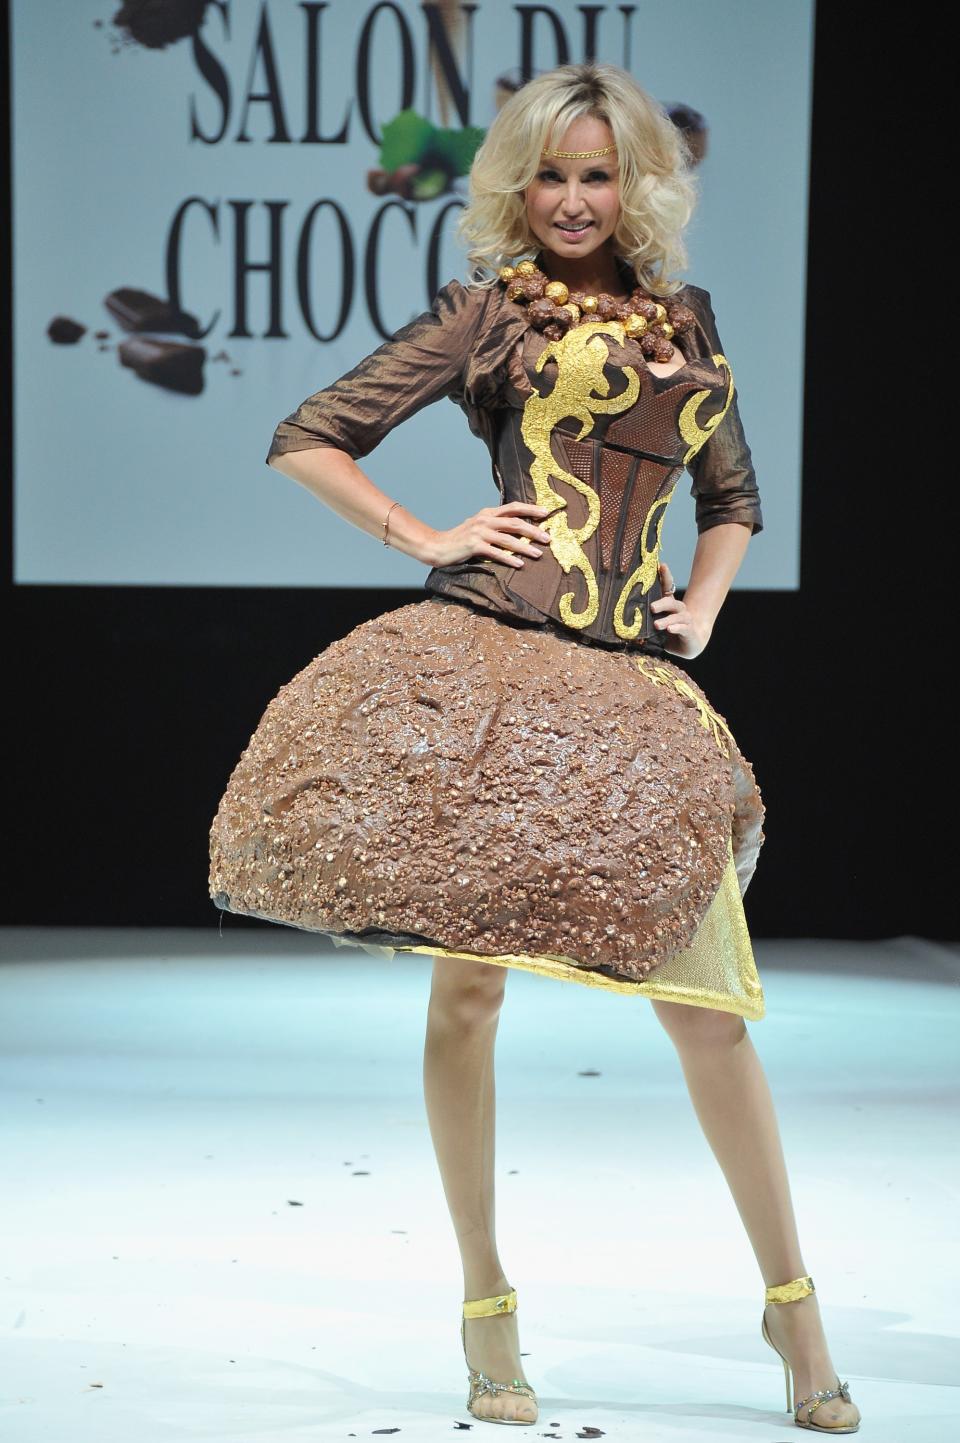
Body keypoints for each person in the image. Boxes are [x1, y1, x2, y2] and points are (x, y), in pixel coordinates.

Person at [209, 62, 861, 1433]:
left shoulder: (689, 317)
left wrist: (704, 605)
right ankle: (487, 1307)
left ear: (638, 183)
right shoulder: (491, 314)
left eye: (598, 174)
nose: (573, 200)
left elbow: (733, 496)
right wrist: (427, 535)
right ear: (521, 184)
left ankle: (792, 1305)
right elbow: (308, 436)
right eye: (552, 175)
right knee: (466, 1002)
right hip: (493, 683)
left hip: (630, 696)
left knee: (710, 1015)